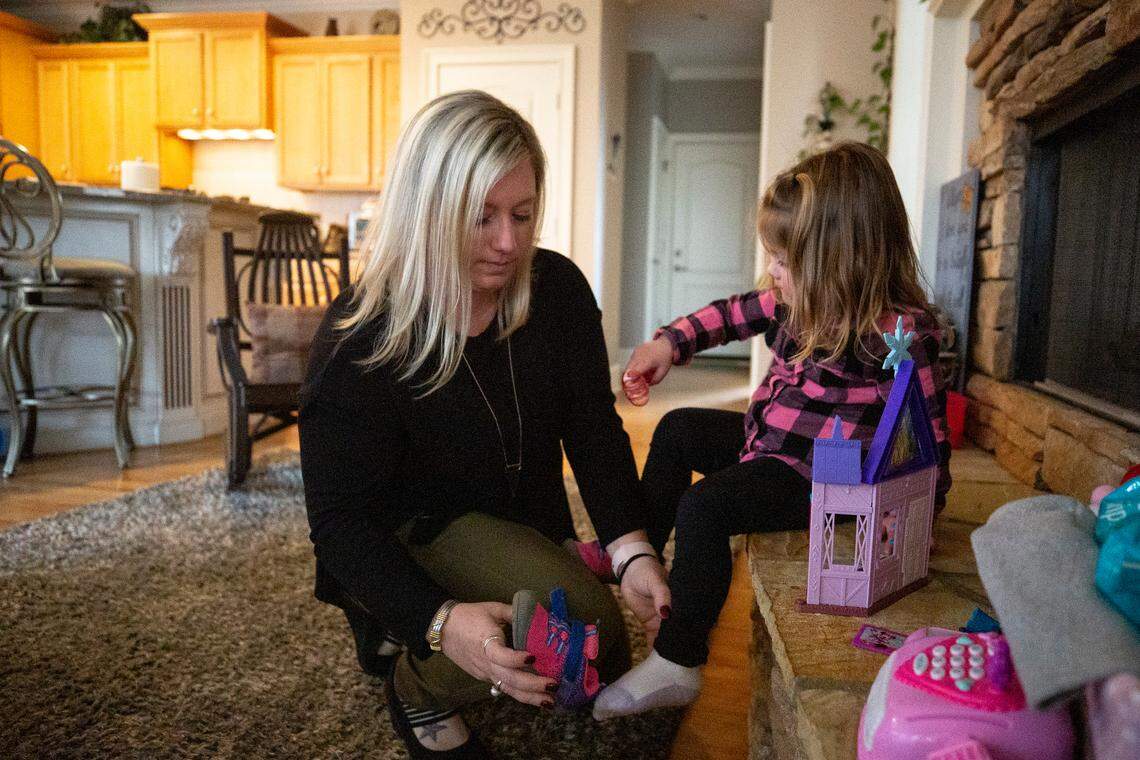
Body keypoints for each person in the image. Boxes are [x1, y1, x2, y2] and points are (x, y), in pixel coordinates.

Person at [297, 90, 670, 759]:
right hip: (413, 535)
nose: (509, 242)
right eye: (483, 218)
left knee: (599, 647)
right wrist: (439, 625)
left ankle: (542, 576)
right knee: (575, 623)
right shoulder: (359, 341)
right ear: (428, 213)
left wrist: (631, 550)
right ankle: (416, 684)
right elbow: (340, 527)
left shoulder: (556, 291)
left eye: (523, 215)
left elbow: (592, 427)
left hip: (516, 518)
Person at [593, 141, 952, 720]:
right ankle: (645, 554)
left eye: (783, 260)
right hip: (768, 442)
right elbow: (729, 314)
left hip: (817, 478)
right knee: (680, 426)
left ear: (840, 258)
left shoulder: (898, 335)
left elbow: (927, 435)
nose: (772, 273)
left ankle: (678, 660)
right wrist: (667, 343)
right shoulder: (795, 299)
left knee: (706, 506)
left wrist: (921, 517)